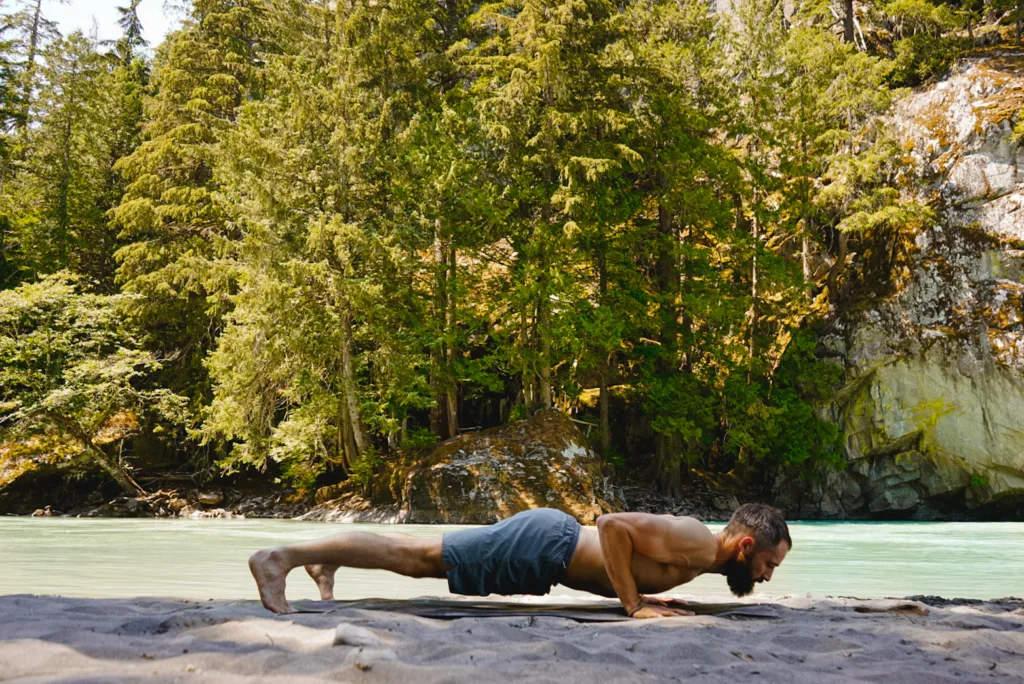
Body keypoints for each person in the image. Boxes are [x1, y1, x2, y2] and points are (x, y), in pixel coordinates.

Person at [249, 503, 791, 618]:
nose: (766, 577)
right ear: (746, 546)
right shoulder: (698, 541)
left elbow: (620, 552)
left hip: (546, 554)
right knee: (416, 557)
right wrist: (633, 606)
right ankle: (284, 557)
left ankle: (324, 561)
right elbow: (611, 526)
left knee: (421, 556)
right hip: (545, 545)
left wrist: (644, 593)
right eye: (769, 564)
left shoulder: (698, 559)